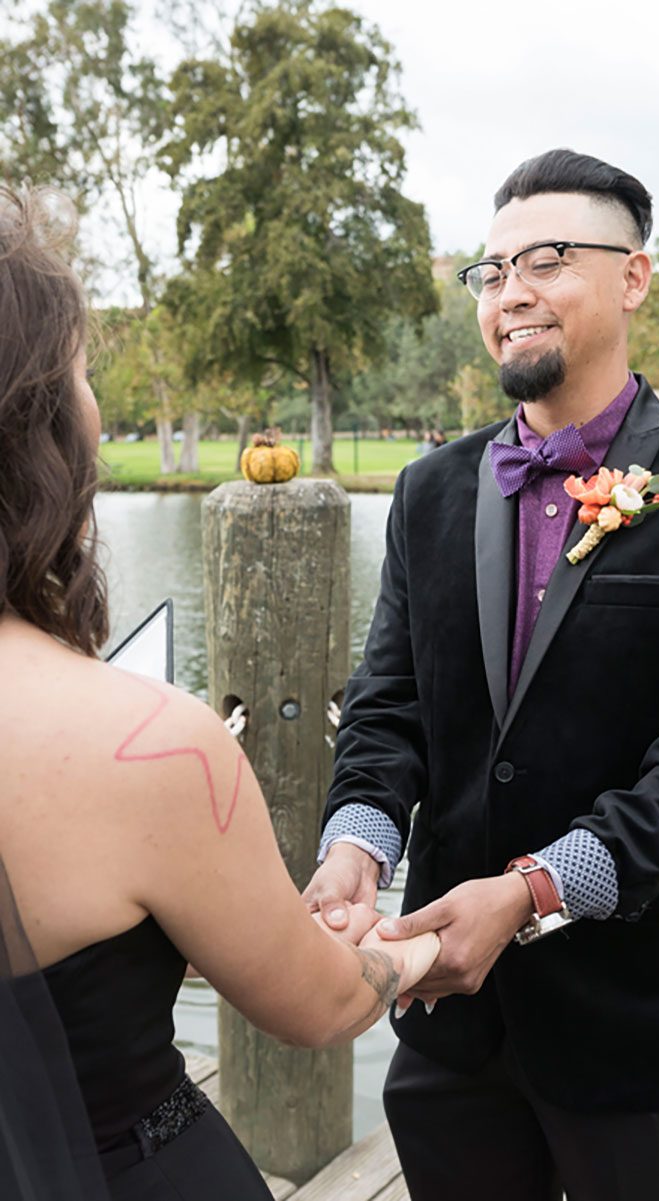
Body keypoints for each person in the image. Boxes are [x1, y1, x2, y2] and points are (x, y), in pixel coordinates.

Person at [303, 148, 659, 1201]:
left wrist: (530, 891)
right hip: (447, 1025)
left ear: (631, 276)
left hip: (644, 1026)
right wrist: (356, 842)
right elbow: (388, 712)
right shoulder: (428, 489)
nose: (510, 293)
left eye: (546, 259)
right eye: (489, 271)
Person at [0, 186, 439, 1198]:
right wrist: (395, 950)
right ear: (38, 434)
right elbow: (318, 1005)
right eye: (79, 374)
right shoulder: (151, 745)